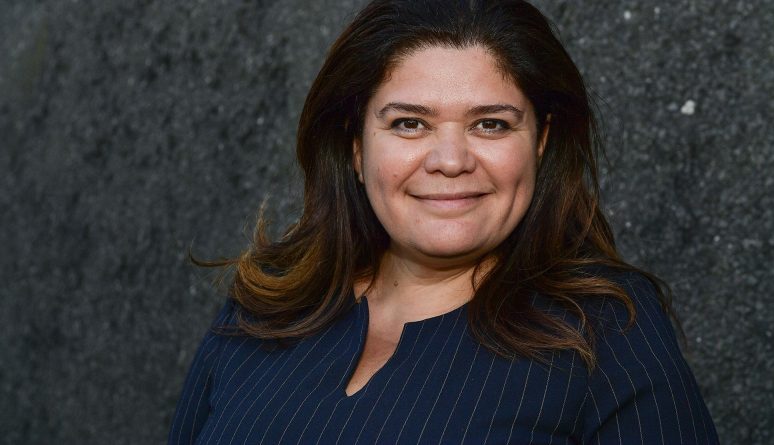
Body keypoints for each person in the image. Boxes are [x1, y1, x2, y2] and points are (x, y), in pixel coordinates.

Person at [168, 0, 720, 443]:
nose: (450, 161)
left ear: (541, 143)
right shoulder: (268, 301)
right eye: (409, 123)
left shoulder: (604, 331)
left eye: (491, 125)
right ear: (357, 146)